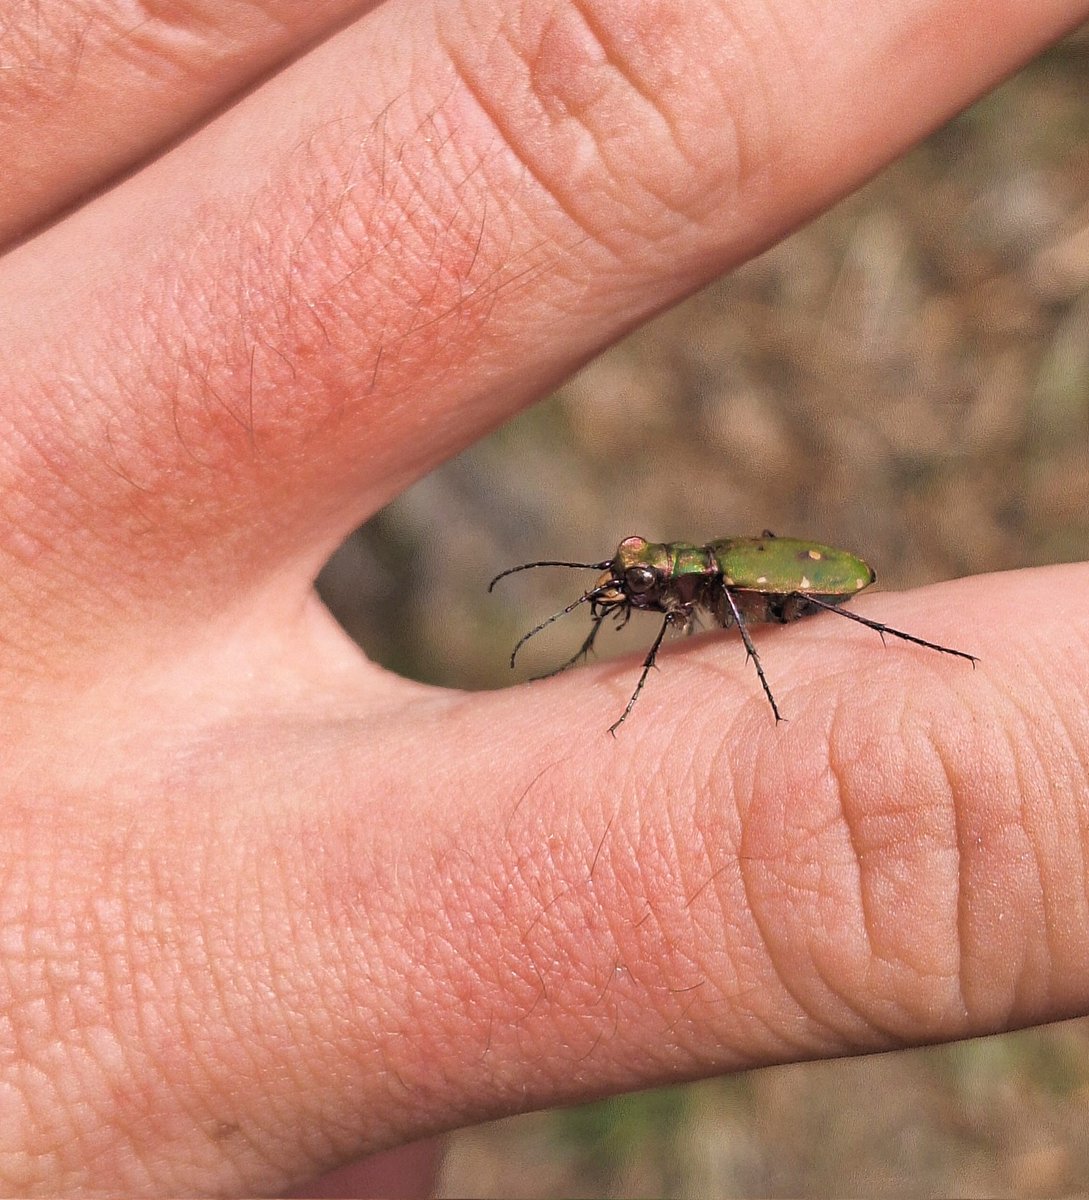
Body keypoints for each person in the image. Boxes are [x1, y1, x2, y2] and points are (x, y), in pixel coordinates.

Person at [3, 1, 1088, 1194]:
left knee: (802, 619)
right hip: (753, 562)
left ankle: (909, 638)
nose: (624, 590)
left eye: (637, 580)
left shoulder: (715, 583)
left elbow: (732, 602)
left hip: (794, 576)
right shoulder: (675, 580)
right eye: (629, 579)